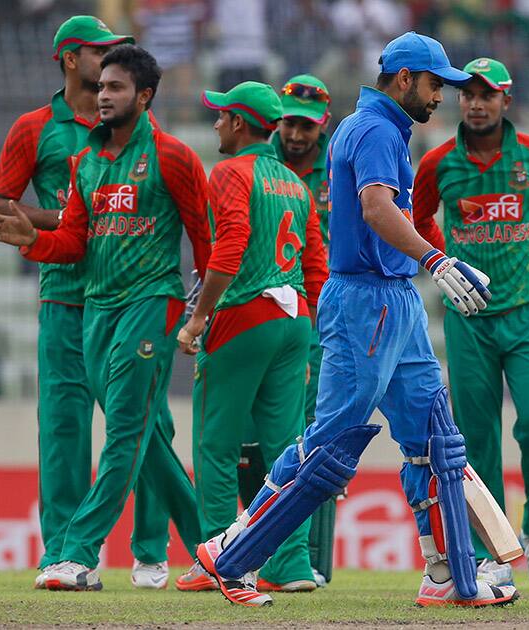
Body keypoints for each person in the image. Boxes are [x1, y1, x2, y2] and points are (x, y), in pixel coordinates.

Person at [194, 32, 517, 608]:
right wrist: (435, 258)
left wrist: (428, 263)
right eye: (435, 82)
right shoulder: (372, 129)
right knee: (330, 447)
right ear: (404, 79)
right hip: (366, 302)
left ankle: (447, 577)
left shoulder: (384, 127)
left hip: (394, 300)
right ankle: (231, 555)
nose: (440, 94)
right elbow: (375, 207)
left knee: (433, 439)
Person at [0, 44, 210, 591]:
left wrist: (203, 312)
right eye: (101, 87)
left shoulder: (174, 156)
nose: (103, 97)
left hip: (151, 303)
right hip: (96, 312)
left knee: (126, 432)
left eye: (116, 89)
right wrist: (33, 238)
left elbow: (209, 242)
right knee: (144, 441)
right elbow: (74, 242)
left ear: (145, 95)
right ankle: (220, 544)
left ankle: (76, 555)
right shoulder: (87, 161)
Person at [413, 57, 529, 589]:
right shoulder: (439, 162)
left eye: (488, 95)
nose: (476, 103)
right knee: (477, 438)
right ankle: (493, 549)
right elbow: (416, 220)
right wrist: (447, 266)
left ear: (506, 101)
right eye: (468, 95)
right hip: (471, 319)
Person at [173, 81, 328, 594]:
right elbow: (316, 268)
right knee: (285, 448)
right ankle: (291, 564)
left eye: (221, 116)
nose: (215, 124)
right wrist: (308, 339)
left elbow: (231, 245)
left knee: (216, 445)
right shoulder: (295, 182)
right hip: (295, 320)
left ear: (240, 124)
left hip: (246, 315)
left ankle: (218, 556)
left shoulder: (230, 172)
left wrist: (199, 319)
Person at [273, 73, 337, 585]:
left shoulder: (338, 168)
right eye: (290, 123)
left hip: (322, 317)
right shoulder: (258, 162)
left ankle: (312, 561)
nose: (297, 135)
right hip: (267, 315)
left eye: (307, 127)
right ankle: (264, 551)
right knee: (269, 435)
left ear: (324, 125)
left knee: (321, 433)